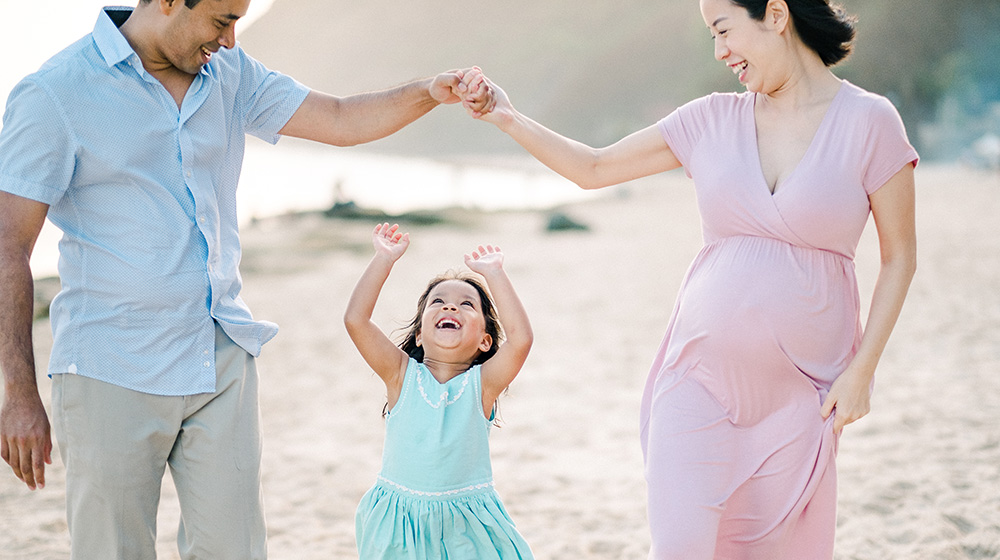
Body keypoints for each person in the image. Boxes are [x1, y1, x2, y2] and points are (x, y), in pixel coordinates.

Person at [0, 1, 490, 558]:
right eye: (220, 20)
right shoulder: (55, 93)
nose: (231, 40)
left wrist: (430, 90)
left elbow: (339, 118)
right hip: (108, 365)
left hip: (220, 355)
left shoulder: (228, 72)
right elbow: (9, 247)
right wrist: (18, 391)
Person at [466, 0, 918, 557]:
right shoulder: (710, 119)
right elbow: (594, 167)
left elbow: (899, 257)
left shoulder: (870, 122)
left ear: (776, 14)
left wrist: (862, 371)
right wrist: (507, 116)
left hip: (803, 396)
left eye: (724, 30)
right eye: (711, 35)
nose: (719, 50)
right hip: (696, 383)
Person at [344, 223, 534, 559]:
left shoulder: (482, 386)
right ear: (419, 334)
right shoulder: (400, 375)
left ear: (485, 341)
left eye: (466, 304)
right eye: (439, 302)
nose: (450, 307)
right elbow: (357, 319)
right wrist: (384, 259)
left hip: (466, 527)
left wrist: (494, 274)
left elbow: (520, 339)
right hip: (400, 525)